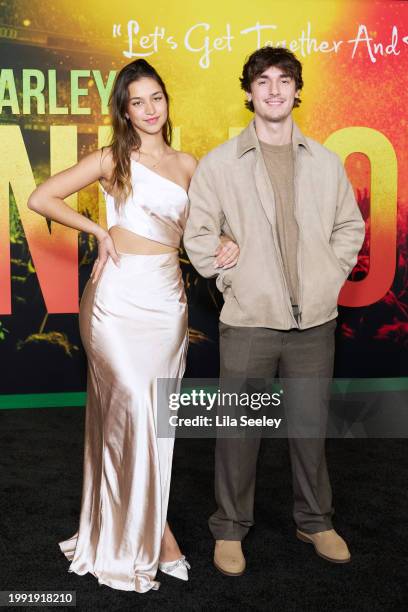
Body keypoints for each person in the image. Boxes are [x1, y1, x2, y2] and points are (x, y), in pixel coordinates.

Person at [28, 59, 239, 593]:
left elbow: (203, 235)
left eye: (156, 99)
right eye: (137, 101)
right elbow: (41, 198)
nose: (149, 110)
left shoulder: (190, 164)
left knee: (152, 416)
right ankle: (160, 533)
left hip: (166, 302)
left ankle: (139, 522)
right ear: (124, 109)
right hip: (116, 301)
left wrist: (226, 244)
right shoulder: (112, 159)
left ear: (168, 102)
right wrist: (99, 230)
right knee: (132, 410)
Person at [183, 46, 365, 576]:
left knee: (309, 429)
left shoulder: (326, 162)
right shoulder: (220, 163)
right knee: (239, 432)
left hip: (314, 326)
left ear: (296, 89)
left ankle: (314, 520)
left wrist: (329, 275)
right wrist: (227, 266)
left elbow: (349, 228)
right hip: (248, 322)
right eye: (263, 81)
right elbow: (197, 235)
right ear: (248, 92)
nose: (274, 90)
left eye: (284, 80)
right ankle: (229, 529)